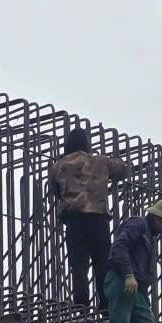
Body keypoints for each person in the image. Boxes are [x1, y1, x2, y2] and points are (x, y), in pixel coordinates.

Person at [49, 127, 130, 309]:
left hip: (74, 221)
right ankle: (105, 305)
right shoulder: (100, 161)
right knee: (102, 264)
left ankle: (81, 306)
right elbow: (123, 170)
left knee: (79, 266)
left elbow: (55, 191)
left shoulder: (58, 166)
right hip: (98, 221)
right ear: (87, 143)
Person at [103, 199, 162, 323]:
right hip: (120, 280)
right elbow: (119, 248)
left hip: (136, 288)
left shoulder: (150, 236)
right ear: (159, 219)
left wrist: (145, 303)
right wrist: (128, 274)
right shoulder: (138, 224)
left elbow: (142, 274)